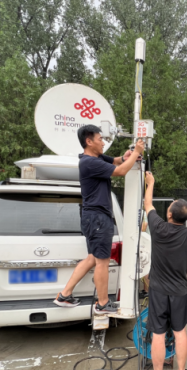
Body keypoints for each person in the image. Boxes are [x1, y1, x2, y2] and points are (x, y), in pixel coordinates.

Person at [53, 124, 145, 315]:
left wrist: (127, 156)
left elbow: (117, 161)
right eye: (100, 139)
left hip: (92, 217)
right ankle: (102, 304)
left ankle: (64, 295)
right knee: (102, 261)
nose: (103, 142)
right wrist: (136, 152)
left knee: (92, 258)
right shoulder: (89, 162)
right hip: (98, 218)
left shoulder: (96, 158)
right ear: (89, 141)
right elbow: (120, 171)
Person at [141, 171, 187, 370]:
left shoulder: (157, 227)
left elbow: (148, 204)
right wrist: (181, 264)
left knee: (158, 333)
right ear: (186, 218)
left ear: (169, 214)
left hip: (158, 290)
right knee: (180, 331)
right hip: (179, 291)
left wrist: (151, 182)